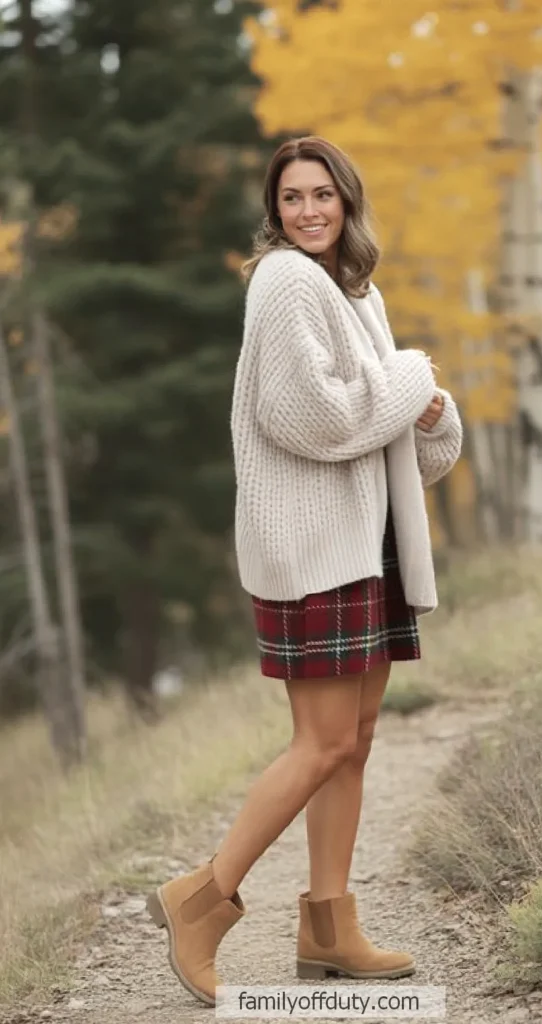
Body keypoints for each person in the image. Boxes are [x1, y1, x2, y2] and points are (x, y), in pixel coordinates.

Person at [146, 136, 463, 1006]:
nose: (309, 211)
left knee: (352, 745)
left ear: (347, 200)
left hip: (365, 541)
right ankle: (201, 898)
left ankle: (329, 928)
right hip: (315, 548)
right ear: (274, 210)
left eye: (322, 194)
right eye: (292, 198)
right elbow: (309, 420)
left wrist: (429, 408)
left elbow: (390, 439)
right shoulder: (284, 280)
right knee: (321, 742)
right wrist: (410, 379)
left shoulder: (356, 293)